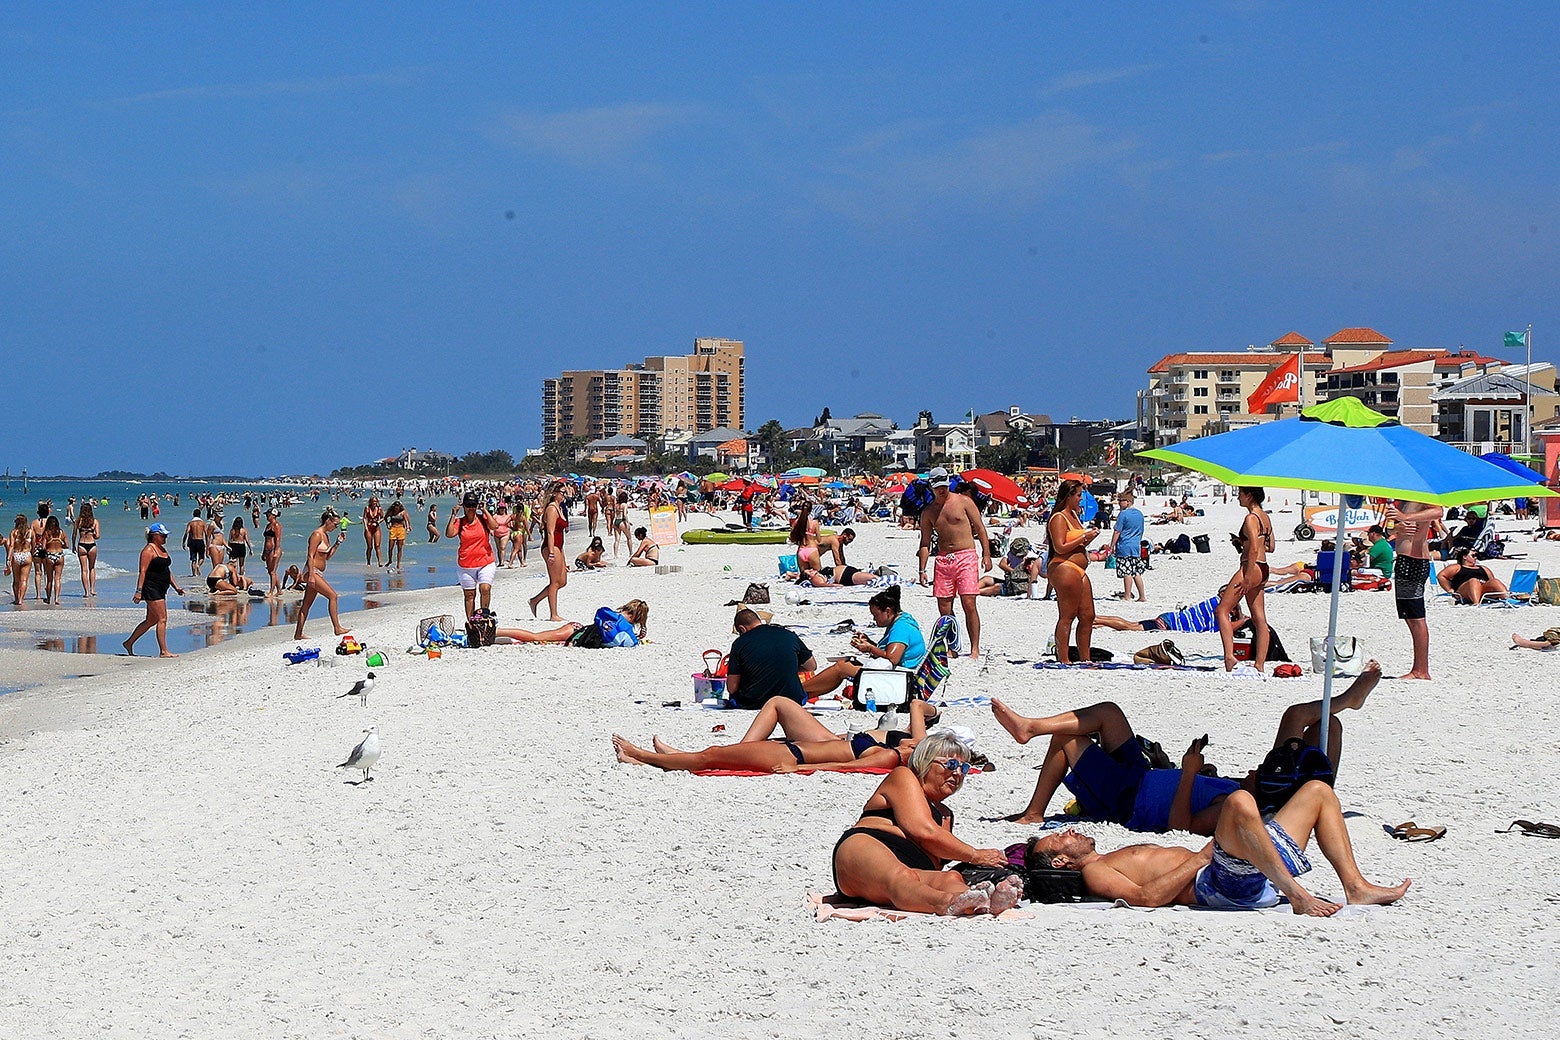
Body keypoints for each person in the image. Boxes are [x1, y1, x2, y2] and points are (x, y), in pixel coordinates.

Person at [992, 660, 1381, 830]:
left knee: (1067, 740)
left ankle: (1033, 812)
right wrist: (1179, 769)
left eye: (1255, 775)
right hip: (1146, 777)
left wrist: (1189, 774)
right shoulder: (1242, 790)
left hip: (1129, 799)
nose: (1249, 771)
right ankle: (1029, 726)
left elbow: (1181, 826)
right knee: (1110, 712)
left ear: (1268, 787)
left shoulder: (1239, 805)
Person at [1032, 780, 1411, 915]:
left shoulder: (1111, 855)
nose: (1069, 832)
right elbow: (1145, 898)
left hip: (1238, 871)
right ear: (1063, 861)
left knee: (1318, 792)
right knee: (1239, 801)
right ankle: (1297, 895)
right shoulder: (1095, 871)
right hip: (1218, 882)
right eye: (1060, 838)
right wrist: (1198, 858)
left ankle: (1356, 887)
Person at [828, 732, 1020, 916]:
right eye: (951, 764)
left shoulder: (945, 815)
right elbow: (924, 832)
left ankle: (980, 900)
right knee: (900, 877)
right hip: (869, 846)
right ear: (924, 762)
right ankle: (946, 903)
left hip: (910, 869)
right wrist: (975, 855)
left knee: (949, 878)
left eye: (964, 768)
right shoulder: (903, 777)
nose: (958, 773)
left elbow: (935, 865)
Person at [609, 699, 926, 774]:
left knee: (711, 755)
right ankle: (657, 757)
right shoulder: (907, 746)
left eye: (915, 745)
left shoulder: (890, 756)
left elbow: (845, 768)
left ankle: (641, 756)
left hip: (792, 756)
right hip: (793, 748)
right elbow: (917, 708)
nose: (911, 740)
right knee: (715, 753)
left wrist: (797, 769)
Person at [917, 468, 991, 659]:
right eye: (938, 487)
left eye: (944, 486)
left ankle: (975, 647)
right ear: (931, 488)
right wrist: (922, 569)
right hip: (943, 559)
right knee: (944, 607)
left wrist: (986, 554)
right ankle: (952, 646)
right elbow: (924, 542)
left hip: (966, 555)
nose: (942, 490)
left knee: (969, 602)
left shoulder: (964, 502)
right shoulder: (928, 512)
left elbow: (980, 529)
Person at [801, 585, 925, 698]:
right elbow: (891, 651)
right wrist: (869, 642)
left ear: (888, 611)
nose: (874, 619)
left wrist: (869, 648)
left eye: (875, 615)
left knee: (841, 667)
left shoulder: (901, 628)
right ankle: (804, 695)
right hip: (899, 672)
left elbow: (892, 658)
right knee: (844, 665)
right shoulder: (901, 620)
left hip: (900, 676)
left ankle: (799, 690)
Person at [1217, 487, 1273, 672]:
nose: (1238, 497)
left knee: (1222, 611)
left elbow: (1255, 549)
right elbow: (1270, 546)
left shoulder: (1250, 518)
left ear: (1249, 495)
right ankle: (1260, 664)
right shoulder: (1265, 517)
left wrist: (1247, 576)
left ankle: (1229, 656)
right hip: (1264, 567)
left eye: (1240, 494)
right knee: (1259, 618)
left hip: (1252, 565)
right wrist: (1244, 542)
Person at [1386, 499, 1443, 680]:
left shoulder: (1420, 497)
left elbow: (1438, 511)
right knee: (1409, 617)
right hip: (1404, 561)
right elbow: (1388, 530)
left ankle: (1421, 670)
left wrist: (1406, 517)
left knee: (1417, 618)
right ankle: (1418, 667)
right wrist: (1396, 529)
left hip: (1415, 560)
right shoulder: (1401, 502)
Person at [1046, 479, 1100, 664]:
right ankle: (1064, 658)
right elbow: (1060, 547)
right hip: (1064, 567)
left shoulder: (1074, 516)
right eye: (1078, 495)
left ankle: (1085, 658)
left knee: (1088, 615)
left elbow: (1077, 545)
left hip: (1078, 568)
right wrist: (1084, 536)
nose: (1080, 499)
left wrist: (1089, 538)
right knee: (1067, 615)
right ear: (1068, 496)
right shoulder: (1059, 517)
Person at [725, 606, 817, 709]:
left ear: (742, 629)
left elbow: (732, 687)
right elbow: (811, 666)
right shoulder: (788, 635)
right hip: (792, 699)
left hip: (754, 702)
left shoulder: (739, 643)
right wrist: (786, 667)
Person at [124, 523, 185, 657]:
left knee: (151, 620)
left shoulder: (162, 549)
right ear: (154, 536)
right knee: (162, 618)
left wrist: (176, 587)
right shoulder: (148, 551)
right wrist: (139, 591)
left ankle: (128, 643)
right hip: (151, 588)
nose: (165, 538)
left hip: (162, 588)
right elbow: (142, 571)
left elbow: (167, 571)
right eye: (163, 535)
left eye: (166, 535)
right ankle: (163, 651)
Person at [293, 509, 350, 640]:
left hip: (318, 572)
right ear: (327, 521)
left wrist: (338, 543)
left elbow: (327, 556)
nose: (336, 527)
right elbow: (310, 555)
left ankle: (298, 634)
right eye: (335, 524)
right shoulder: (317, 534)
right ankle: (337, 628)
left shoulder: (326, 536)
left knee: (306, 604)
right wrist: (312, 575)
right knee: (333, 596)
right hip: (312, 572)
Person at [496, 599, 649, 645]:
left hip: (577, 629)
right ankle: (497, 631)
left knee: (535, 637)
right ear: (636, 618)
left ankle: (497, 635)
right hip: (574, 632)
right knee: (535, 637)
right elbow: (626, 642)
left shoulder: (608, 614)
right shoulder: (623, 626)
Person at [447, 491, 498, 618]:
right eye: (468, 505)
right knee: (469, 595)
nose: (471, 508)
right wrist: (453, 515)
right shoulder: (460, 522)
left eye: (473, 505)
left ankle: (484, 617)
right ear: (464, 506)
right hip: (466, 564)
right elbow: (449, 534)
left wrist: (485, 511)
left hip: (485, 561)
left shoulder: (482, 519)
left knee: (485, 588)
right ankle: (471, 623)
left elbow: (494, 526)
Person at [528, 482, 571, 621]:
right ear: (554, 493)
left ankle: (535, 600)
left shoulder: (559, 507)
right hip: (550, 546)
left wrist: (563, 555)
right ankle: (553, 614)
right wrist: (552, 553)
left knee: (563, 581)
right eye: (562, 492)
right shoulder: (552, 509)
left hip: (559, 547)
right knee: (555, 582)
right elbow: (550, 532)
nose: (565, 495)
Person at [1107, 488, 1146, 602]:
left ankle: (1127, 595)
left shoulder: (1123, 514)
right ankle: (1142, 596)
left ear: (1128, 502)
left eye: (1121, 501)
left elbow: (1117, 531)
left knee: (1126, 571)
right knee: (1136, 572)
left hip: (1124, 546)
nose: (1119, 503)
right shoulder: (1140, 514)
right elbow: (1141, 531)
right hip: (1135, 546)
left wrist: (1112, 545)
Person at [1437, 548, 1509, 605]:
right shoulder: (1457, 567)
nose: (1475, 558)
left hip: (1483, 590)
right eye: (1473, 556)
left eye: (1476, 556)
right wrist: (1449, 589)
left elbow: (1491, 581)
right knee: (1473, 581)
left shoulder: (1483, 568)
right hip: (1464, 591)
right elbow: (1441, 576)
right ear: (1465, 557)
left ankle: (1507, 597)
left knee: (1495, 581)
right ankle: (1476, 603)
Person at [72, 500, 100, 598]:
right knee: (92, 568)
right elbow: (98, 536)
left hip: (82, 545)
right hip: (91, 545)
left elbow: (74, 534)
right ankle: (92, 589)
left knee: (84, 570)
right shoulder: (95, 521)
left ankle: (86, 592)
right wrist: (92, 534)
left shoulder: (78, 521)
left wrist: (73, 545)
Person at [39, 515, 68, 604]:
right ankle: (56, 599)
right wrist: (60, 545)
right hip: (59, 555)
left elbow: (43, 547)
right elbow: (67, 545)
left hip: (50, 555)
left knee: (49, 579)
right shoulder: (61, 533)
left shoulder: (46, 533)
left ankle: (48, 598)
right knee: (58, 579)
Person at [6, 513, 33, 605]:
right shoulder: (30, 532)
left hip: (16, 555)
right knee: (24, 580)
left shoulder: (14, 532)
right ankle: (21, 599)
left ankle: (16, 599)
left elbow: (11, 546)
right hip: (27, 555)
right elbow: (33, 545)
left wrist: (8, 559)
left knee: (16, 580)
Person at [262, 508, 283, 596]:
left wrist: (276, 551)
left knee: (272, 572)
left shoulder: (277, 525)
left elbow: (277, 538)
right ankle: (279, 590)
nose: (267, 516)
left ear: (273, 515)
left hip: (273, 549)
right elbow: (266, 540)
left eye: (268, 514)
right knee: (271, 571)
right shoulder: (268, 526)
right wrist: (263, 552)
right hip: (267, 550)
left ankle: (271, 591)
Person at [385, 500, 409, 572]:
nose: (396, 508)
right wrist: (387, 524)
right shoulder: (391, 512)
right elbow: (385, 517)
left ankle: (398, 563)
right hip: (393, 529)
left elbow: (406, 520)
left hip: (401, 529)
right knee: (390, 547)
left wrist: (407, 528)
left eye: (398, 507)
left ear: (400, 506)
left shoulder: (403, 512)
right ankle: (390, 560)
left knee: (399, 548)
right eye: (396, 506)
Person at [182, 509, 208, 578]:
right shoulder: (203, 523)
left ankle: (194, 575)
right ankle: (198, 566)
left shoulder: (190, 523)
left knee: (193, 559)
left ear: (193, 514)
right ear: (200, 515)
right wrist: (208, 543)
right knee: (201, 557)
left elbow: (186, 533)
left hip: (192, 541)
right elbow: (206, 534)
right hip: (200, 541)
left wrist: (183, 542)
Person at [361, 496, 385, 567]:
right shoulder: (367, 508)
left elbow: (383, 517)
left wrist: (378, 522)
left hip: (376, 528)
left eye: (375, 501)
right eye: (373, 501)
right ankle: (368, 562)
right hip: (369, 527)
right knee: (370, 546)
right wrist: (365, 527)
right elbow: (364, 518)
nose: (374, 503)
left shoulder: (379, 509)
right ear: (370, 502)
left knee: (377, 546)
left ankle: (380, 562)